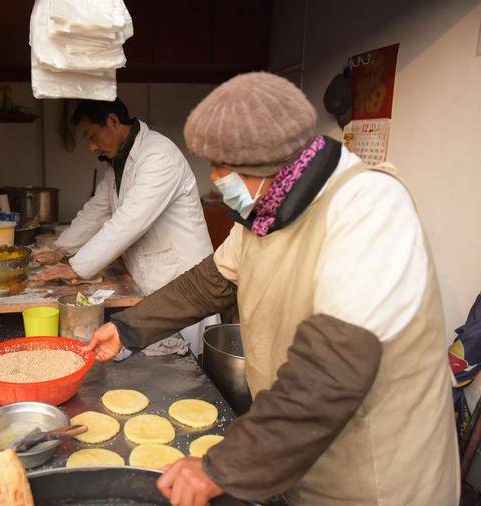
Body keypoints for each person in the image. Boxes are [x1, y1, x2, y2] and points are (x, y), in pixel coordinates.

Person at [86, 72, 460, 505]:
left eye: (226, 167)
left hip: (372, 480)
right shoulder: (266, 212)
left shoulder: (370, 209)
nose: (217, 178)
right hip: (294, 454)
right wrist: (129, 329)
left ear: (274, 161)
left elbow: (332, 371)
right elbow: (210, 283)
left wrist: (220, 468)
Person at [36, 98, 217, 354]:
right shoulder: (119, 163)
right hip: (151, 281)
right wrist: (62, 249)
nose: (91, 146)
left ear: (112, 121)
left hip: (180, 278)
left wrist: (76, 266)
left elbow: (129, 222)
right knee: (161, 360)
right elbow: (96, 212)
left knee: (187, 364)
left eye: (91, 136)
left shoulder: (158, 154)